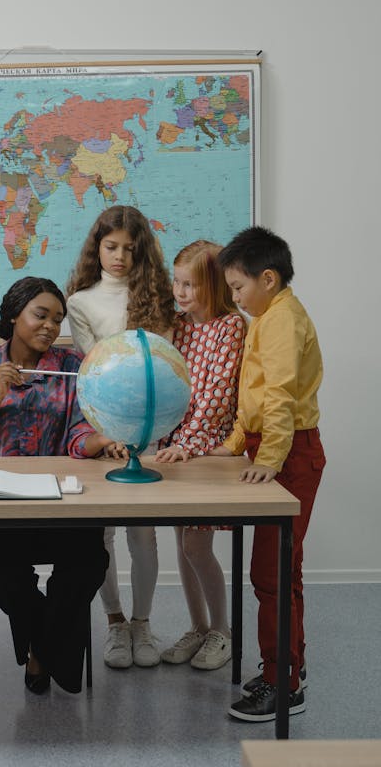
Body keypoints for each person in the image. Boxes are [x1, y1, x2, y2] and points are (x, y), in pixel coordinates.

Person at [0, 277, 127, 695]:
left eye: (58, 319)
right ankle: (49, 647)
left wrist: (102, 441)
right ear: (14, 314)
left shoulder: (71, 368)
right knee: (0, 573)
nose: (50, 326)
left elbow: (78, 436)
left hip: (58, 504)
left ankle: (40, 651)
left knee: (89, 563)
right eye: (40, 314)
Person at [211, 226, 325, 722]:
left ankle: (285, 684)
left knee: (273, 572)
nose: (234, 297)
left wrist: (270, 460)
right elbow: (250, 395)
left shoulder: (281, 321)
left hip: (290, 454)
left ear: (269, 278)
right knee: (278, 571)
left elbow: (278, 396)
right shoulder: (267, 315)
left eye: (238, 287)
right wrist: (235, 444)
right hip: (271, 447)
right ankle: (286, 667)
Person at [66, 205, 175, 671]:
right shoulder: (81, 302)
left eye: (130, 250)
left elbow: (166, 367)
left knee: (143, 535)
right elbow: (98, 371)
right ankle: (114, 621)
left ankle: (142, 623)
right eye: (111, 247)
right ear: (97, 246)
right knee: (102, 535)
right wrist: (108, 435)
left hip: (151, 427)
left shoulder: (157, 296)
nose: (120, 257)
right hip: (103, 424)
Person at [153, 240, 246, 670]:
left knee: (196, 543)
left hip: (203, 452)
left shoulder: (231, 327)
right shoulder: (180, 325)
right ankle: (198, 627)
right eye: (177, 281)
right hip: (174, 448)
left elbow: (216, 400)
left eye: (190, 284)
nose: (181, 291)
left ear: (213, 285)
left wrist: (186, 447)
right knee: (181, 541)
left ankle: (222, 632)